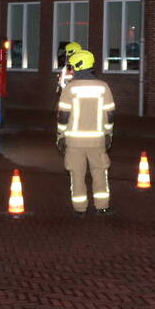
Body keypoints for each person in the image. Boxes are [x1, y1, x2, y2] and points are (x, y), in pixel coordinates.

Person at [56, 50, 115, 217]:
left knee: (77, 175)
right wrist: (108, 134)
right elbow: (110, 114)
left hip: (74, 142)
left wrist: (60, 136)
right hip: (97, 140)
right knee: (100, 174)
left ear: (79, 66)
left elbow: (63, 116)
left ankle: (79, 209)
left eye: (73, 67)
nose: (72, 70)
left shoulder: (70, 88)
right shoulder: (103, 87)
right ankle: (102, 207)